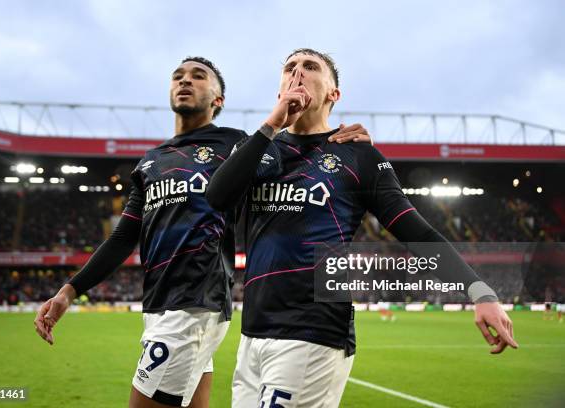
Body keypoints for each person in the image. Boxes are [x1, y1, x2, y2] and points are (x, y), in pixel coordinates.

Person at [33, 56, 371, 408]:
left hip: (196, 300)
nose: (185, 81)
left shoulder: (237, 144)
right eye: (178, 76)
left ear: (218, 100)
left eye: (197, 76)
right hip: (158, 301)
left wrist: (345, 145)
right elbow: (123, 238)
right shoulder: (150, 161)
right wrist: (69, 291)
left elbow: (304, 155)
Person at [206, 48, 518, 408]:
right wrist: (272, 124)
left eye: (310, 67)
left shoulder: (359, 156)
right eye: (290, 67)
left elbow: (416, 231)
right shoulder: (259, 149)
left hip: (314, 330)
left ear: (333, 94)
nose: (298, 73)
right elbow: (216, 197)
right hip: (254, 334)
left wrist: (480, 292)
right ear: (279, 91)